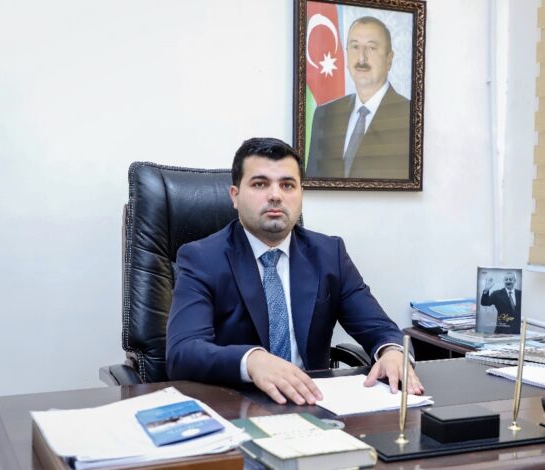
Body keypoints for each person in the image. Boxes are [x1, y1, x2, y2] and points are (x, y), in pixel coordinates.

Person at [166, 137, 423, 405]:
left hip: (313, 403)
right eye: (260, 184)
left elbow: (379, 328)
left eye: (287, 185)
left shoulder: (329, 254)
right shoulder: (202, 259)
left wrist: (392, 352)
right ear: (235, 196)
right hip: (238, 405)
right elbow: (182, 353)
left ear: (301, 194)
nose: (275, 195)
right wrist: (251, 360)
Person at [305, 16, 410, 179]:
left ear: (389, 59)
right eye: (354, 47)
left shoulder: (409, 115)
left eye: (372, 48)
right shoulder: (325, 114)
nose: (361, 58)